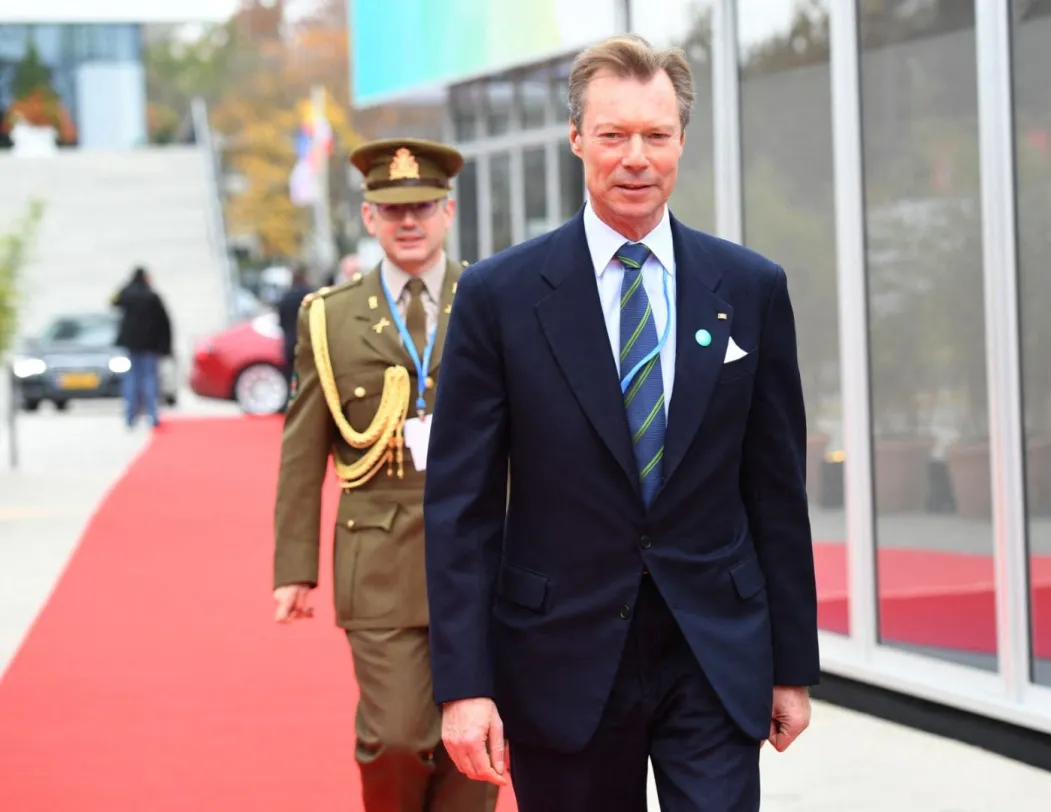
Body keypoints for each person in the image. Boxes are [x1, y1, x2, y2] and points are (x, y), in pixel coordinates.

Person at [423, 34, 820, 812]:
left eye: (656, 134)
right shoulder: (499, 297)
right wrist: (465, 686)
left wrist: (790, 666)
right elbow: (461, 509)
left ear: (680, 141)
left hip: (711, 650)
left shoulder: (749, 287)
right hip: (561, 657)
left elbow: (775, 489)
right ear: (577, 139)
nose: (635, 157)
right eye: (613, 135)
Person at [271, 137, 497, 812]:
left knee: (477, 736)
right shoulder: (332, 317)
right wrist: (294, 566)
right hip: (379, 553)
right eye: (391, 209)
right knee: (397, 735)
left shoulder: (491, 299)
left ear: (448, 212)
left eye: (423, 206)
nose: (408, 221)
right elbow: (302, 447)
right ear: (369, 218)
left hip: (485, 551)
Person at [112, 266, 172, 429]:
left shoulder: (127, 294)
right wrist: (166, 347)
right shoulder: (152, 297)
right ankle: (152, 416)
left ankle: (130, 416)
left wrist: (126, 285)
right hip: (150, 345)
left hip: (132, 344)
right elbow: (164, 323)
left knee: (131, 379)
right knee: (150, 379)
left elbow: (113, 301)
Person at [275, 261, 315, 409]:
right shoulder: (311, 295)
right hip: (308, 343)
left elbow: (280, 321)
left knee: (291, 378)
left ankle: (291, 403)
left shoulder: (285, 297)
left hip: (289, 343)